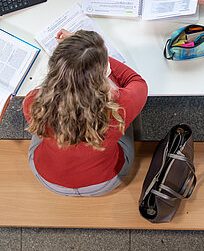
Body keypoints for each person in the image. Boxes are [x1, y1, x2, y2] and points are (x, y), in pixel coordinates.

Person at [23, 30, 148, 196]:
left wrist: (77, 56)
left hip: (46, 176)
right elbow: (136, 81)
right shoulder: (119, 106)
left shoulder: (32, 100)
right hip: (105, 181)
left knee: (42, 114)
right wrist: (95, 57)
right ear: (102, 71)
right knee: (128, 111)